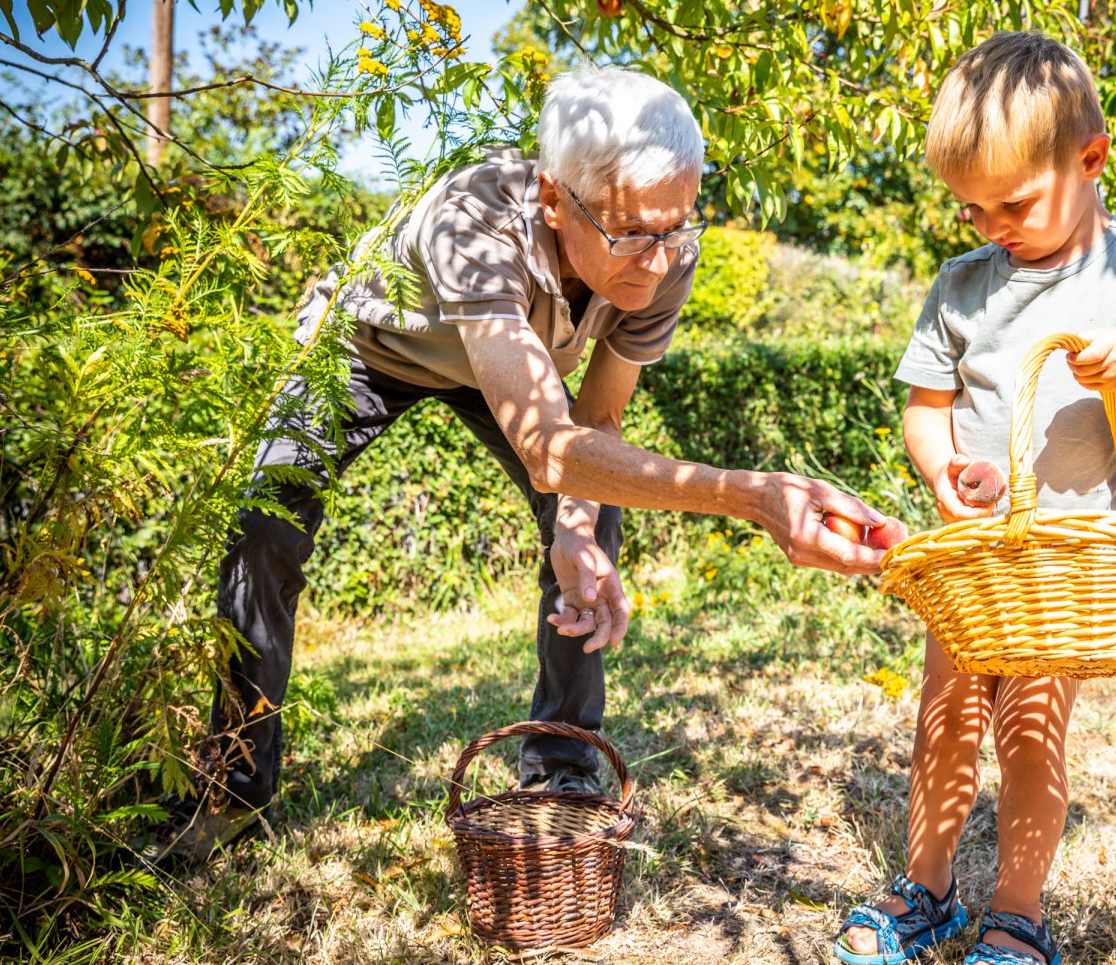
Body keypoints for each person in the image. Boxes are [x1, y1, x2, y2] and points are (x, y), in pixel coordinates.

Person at [149, 65, 899, 863]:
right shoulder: (472, 219)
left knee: (595, 511)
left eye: (677, 226)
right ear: (552, 199)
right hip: (372, 346)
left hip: (514, 363)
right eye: (631, 234)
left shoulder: (669, 247)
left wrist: (574, 533)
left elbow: (596, 420)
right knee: (264, 517)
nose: (657, 260)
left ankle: (564, 776)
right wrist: (755, 497)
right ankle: (233, 787)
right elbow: (548, 447)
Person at [834, 32, 1116, 965]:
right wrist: (942, 472)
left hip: (1069, 561)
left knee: (1029, 732)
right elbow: (926, 413)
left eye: (1011, 203)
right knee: (945, 720)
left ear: (1090, 159)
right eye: (970, 209)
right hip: (976, 558)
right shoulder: (963, 285)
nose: (990, 225)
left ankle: (1016, 914)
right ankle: (925, 889)